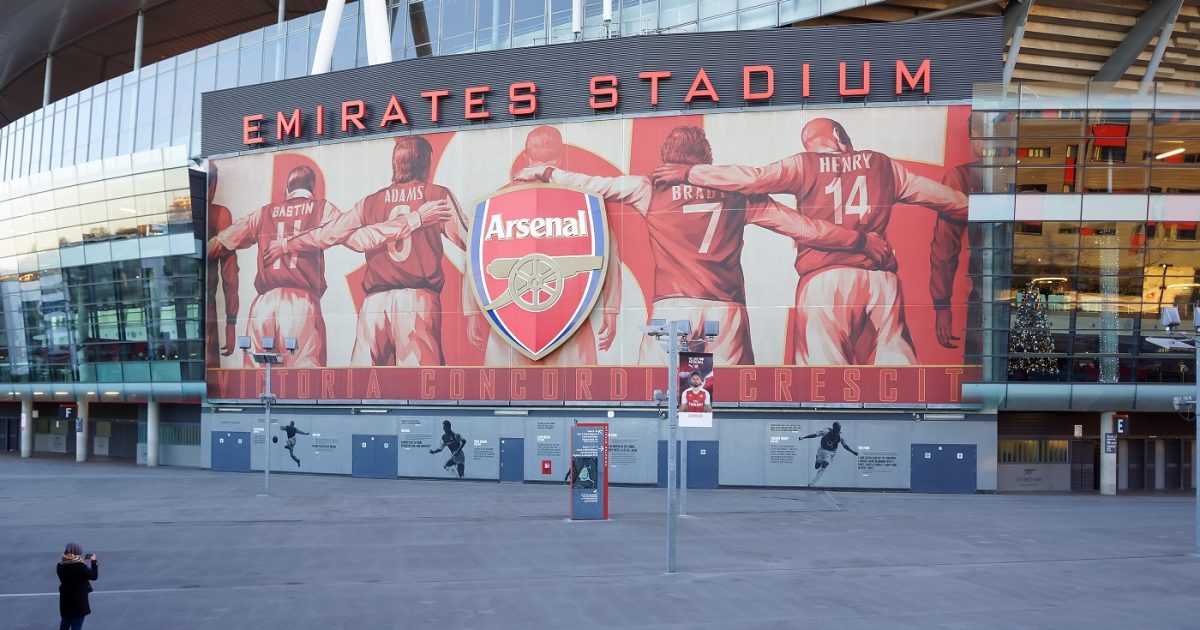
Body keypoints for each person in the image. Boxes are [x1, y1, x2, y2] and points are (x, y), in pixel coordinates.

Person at [516, 125, 886, 365]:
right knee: (726, 404)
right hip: (726, 311)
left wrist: (546, 171)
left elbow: (592, 184)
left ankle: (669, 457)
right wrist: (859, 240)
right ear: (707, 160)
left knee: (658, 401)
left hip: (671, 308)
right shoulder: (738, 195)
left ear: (667, 159)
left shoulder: (648, 188)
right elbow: (804, 228)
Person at [652, 117, 968, 366]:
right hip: (880, 278)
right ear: (841, 137)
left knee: (823, 371)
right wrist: (990, 208)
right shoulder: (884, 165)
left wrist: (690, 174)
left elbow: (754, 179)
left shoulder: (803, 164)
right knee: (895, 358)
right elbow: (949, 201)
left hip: (824, 279)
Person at [267, 137, 480, 366]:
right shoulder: (437, 197)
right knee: (419, 381)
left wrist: (287, 244)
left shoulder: (370, 202)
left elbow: (329, 232)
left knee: (362, 380)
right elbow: (473, 244)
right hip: (416, 300)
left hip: (374, 305)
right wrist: (473, 311)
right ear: (425, 164)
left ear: (395, 165)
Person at [484, 125, 622, 366]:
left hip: (509, 321)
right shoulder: (582, 200)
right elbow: (608, 253)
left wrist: (472, 313)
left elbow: (478, 258)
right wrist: (611, 309)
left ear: (526, 157)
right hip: (571, 317)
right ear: (560, 158)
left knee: (502, 386)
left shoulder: (496, 202)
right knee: (578, 387)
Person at [208, 164, 341, 368]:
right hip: (301, 303)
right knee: (305, 376)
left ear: (286, 190)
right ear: (312, 190)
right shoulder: (322, 208)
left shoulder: (264, 213)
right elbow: (347, 228)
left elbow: (222, 242)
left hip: (263, 304)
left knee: (255, 377)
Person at [205, 163, 240, 365]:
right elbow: (230, 275)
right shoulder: (219, 214)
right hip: (206, 306)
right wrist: (231, 322)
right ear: (213, 185)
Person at [798, 422, 859, 487]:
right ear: (834, 427)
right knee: (817, 466)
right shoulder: (825, 431)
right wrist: (803, 437)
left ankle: (812, 483)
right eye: (838, 428)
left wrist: (853, 452)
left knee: (824, 466)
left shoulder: (840, 437)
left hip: (830, 453)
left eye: (840, 428)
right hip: (821, 450)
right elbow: (814, 435)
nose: (839, 429)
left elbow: (845, 446)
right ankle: (818, 460)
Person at [57, 543, 98, 630]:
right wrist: (93, 562)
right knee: (77, 624)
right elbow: (94, 576)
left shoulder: (60, 565)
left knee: (65, 623)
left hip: (65, 599)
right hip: (78, 600)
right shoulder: (80, 566)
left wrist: (82, 563)